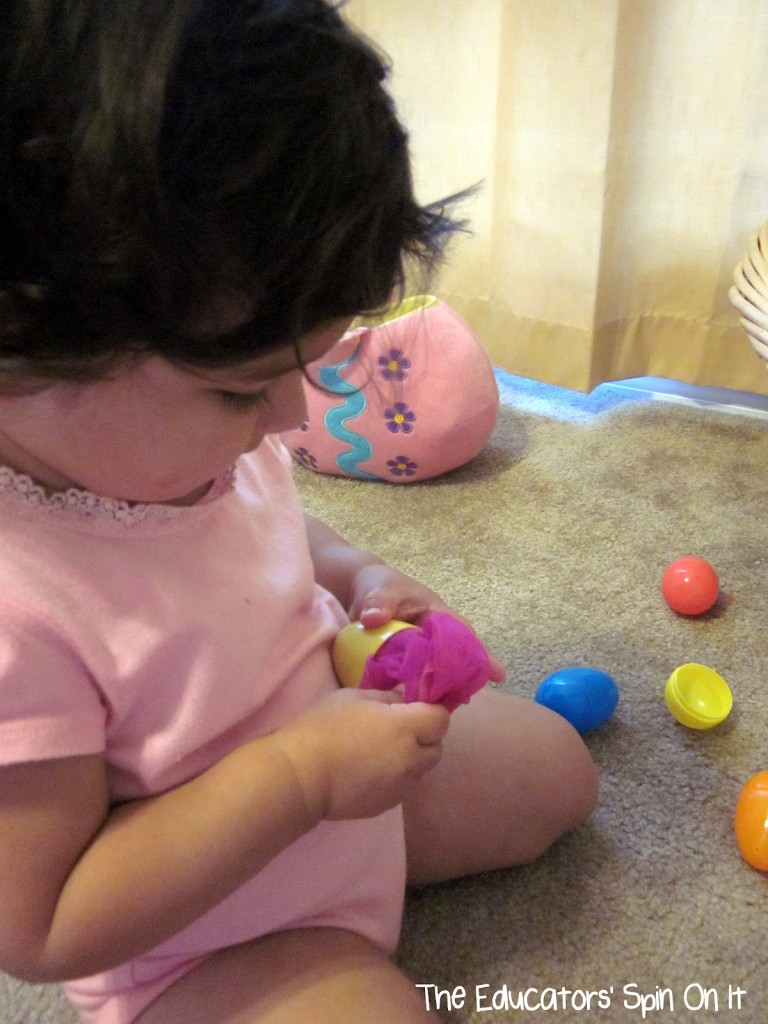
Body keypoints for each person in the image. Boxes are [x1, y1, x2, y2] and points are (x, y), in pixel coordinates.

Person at [0, 2, 599, 1022]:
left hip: (343, 777)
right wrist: (296, 778)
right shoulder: (21, 606)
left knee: (559, 773)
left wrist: (355, 572)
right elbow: (43, 922)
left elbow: (271, 532)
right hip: (209, 939)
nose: (288, 419)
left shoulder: (170, 447)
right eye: (240, 390)